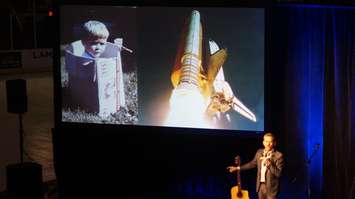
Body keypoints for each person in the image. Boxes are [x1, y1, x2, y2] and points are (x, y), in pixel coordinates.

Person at [227, 132, 284, 199]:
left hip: (271, 188)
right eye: (266, 141)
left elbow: (278, 174)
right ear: (263, 142)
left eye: (270, 142)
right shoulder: (259, 152)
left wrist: (270, 165)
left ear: (274, 143)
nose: (268, 144)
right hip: (260, 186)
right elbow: (252, 164)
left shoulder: (278, 155)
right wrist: (237, 168)